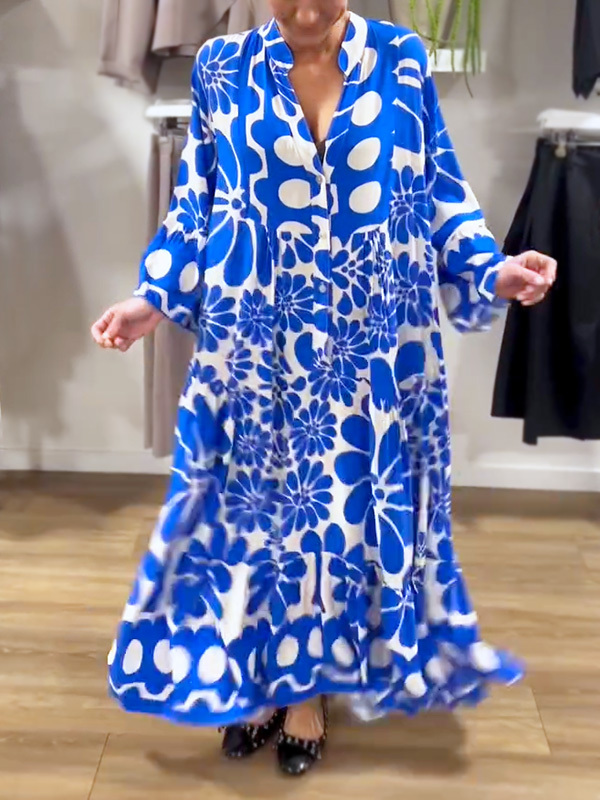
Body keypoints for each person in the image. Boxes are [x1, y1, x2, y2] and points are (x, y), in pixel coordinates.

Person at [92, 0, 556, 778]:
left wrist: (493, 268)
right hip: (253, 337)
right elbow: (197, 203)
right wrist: (154, 298)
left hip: (367, 347)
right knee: (255, 522)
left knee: (337, 524)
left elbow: (438, 190)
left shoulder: (401, 60)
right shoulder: (222, 67)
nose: (306, 10)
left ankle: (306, 692)